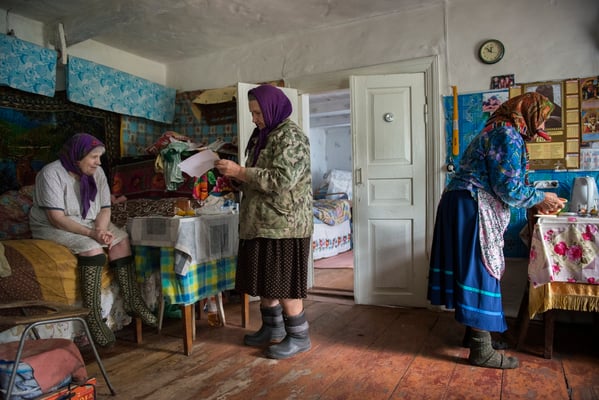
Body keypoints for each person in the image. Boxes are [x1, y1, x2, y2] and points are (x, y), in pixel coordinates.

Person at [427, 92, 564, 369]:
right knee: (481, 268)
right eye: (542, 121)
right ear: (528, 113)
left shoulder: (497, 130)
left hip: (462, 202)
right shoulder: (507, 135)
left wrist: (536, 196)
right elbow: (509, 188)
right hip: (471, 204)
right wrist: (541, 198)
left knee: (471, 268)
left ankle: (474, 335)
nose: (542, 130)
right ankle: (481, 350)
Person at [29, 133, 157, 347]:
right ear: (77, 156)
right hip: (52, 226)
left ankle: (133, 299)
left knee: (121, 240)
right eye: (94, 157)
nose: (98, 162)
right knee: (92, 248)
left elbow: (105, 207)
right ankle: (93, 316)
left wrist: (100, 228)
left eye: (99, 157)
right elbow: (56, 218)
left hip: (89, 222)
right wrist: (93, 235)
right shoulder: (50, 173)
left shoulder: (96, 174)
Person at [214, 84, 313, 359]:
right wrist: (236, 178)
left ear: (272, 108)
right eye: (252, 113)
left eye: (258, 112)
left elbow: (282, 181)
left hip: (284, 225)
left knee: (283, 283)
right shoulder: (262, 136)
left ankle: (299, 336)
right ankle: (273, 329)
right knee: (265, 281)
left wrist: (241, 171)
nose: (255, 118)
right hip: (260, 222)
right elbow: (258, 178)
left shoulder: (290, 137)